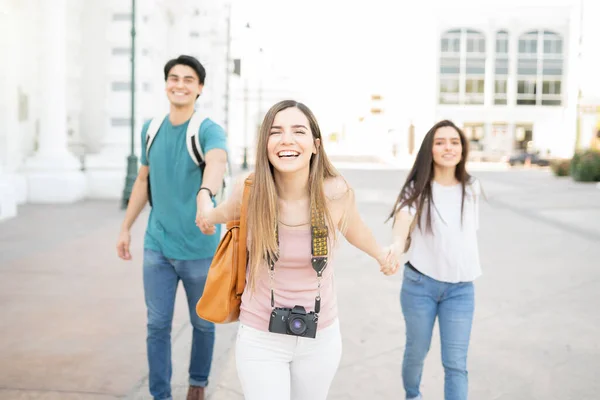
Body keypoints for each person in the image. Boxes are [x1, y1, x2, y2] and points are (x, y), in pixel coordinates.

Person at [196, 100, 399, 400]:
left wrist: (382, 255)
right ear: (265, 144)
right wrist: (204, 209)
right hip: (260, 336)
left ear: (315, 145)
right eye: (276, 132)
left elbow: (353, 227)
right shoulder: (249, 190)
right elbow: (219, 213)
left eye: (298, 131)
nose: (287, 139)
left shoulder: (335, 192)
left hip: (321, 336)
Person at [116, 55, 228, 400]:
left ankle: (198, 383)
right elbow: (143, 180)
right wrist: (125, 228)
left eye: (188, 79)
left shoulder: (208, 128)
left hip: (200, 249)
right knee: (157, 325)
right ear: (167, 84)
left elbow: (217, 161)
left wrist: (205, 196)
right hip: (158, 247)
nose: (180, 84)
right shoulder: (151, 128)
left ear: (200, 88)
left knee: (203, 323)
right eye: (174, 78)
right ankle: (160, 394)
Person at [387, 120, 482, 400]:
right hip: (420, 286)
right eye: (440, 142)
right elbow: (401, 226)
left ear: (463, 149)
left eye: (454, 142)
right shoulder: (416, 190)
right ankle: (412, 395)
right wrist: (394, 247)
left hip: (461, 290)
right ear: (430, 149)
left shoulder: (472, 188)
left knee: (456, 364)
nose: (448, 147)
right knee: (417, 351)